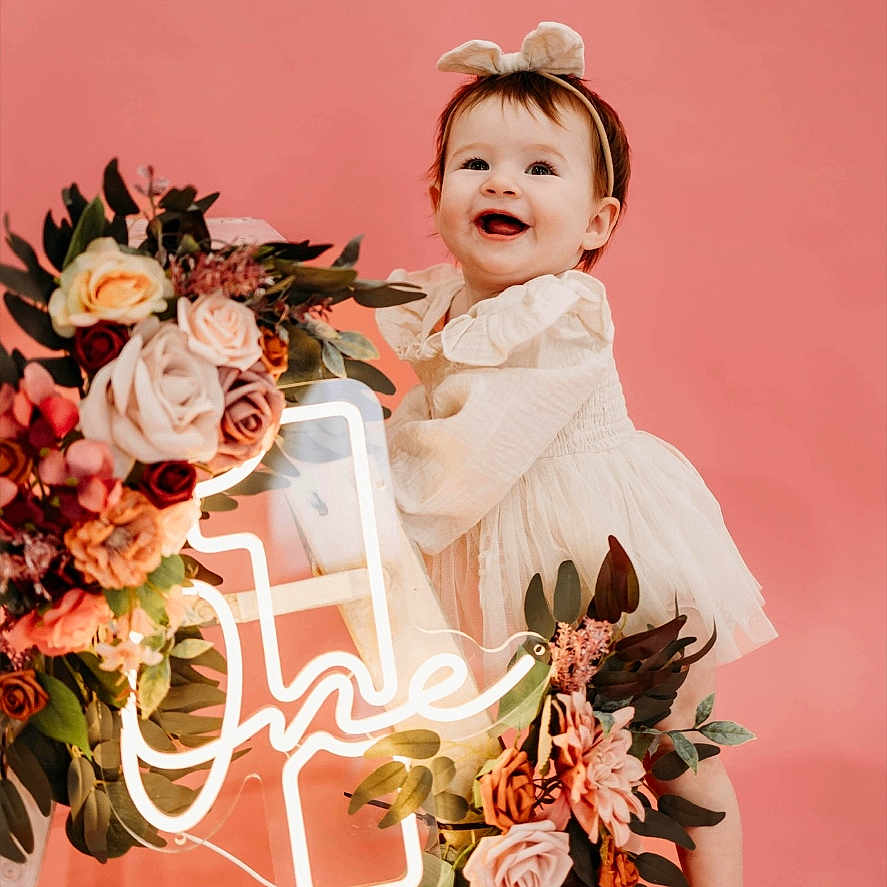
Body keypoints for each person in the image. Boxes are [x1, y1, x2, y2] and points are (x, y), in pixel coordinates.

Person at [376, 22, 777, 885]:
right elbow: (435, 417)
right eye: (474, 163)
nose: (501, 182)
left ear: (597, 220)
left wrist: (380, 495)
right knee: (509, 766)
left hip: (596, 552)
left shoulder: (563, 313)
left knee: (671, 749)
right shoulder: (439, 305)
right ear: (438, 195)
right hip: (485, 546)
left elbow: (479, 444)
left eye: (539, 168)